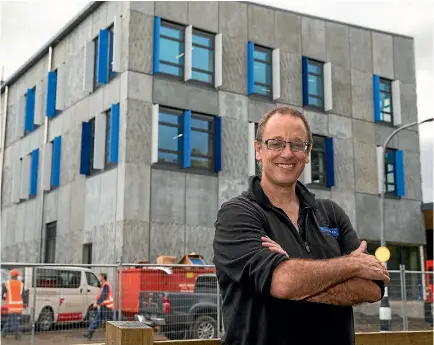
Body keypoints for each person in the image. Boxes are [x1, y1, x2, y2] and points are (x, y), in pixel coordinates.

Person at [213, 107, 390, 345]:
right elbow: (283, 282)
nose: (287, 153)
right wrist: (350, 265)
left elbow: (373, 288)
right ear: (258, 150)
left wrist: (296, 279)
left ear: (307, 153)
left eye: (298, 145)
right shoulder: (237, 214)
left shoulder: (331, 214)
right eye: (276, 143)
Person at [83, 273, 113, 339]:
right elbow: (101, 295)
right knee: (98, 319)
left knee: (110, 322)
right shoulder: (104, 285)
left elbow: (103, 296)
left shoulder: (106, 285)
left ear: (103, 277)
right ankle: (90, 332)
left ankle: (113, 336)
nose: (98, 277)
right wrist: (97, 302)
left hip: (107, 307)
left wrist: (97, 303)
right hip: (104, 306)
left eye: (99, 276)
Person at [1, 269, 24, 339]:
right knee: (11, 319)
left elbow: (3, 295)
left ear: (11, 276)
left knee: (13, 320)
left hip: (11, 306)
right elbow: (22, 294)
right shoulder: (21, 284)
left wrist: (5, 298)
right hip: (19, 306)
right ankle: (3, 333)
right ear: (17, 276)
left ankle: (17, 333)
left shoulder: (6, 284)